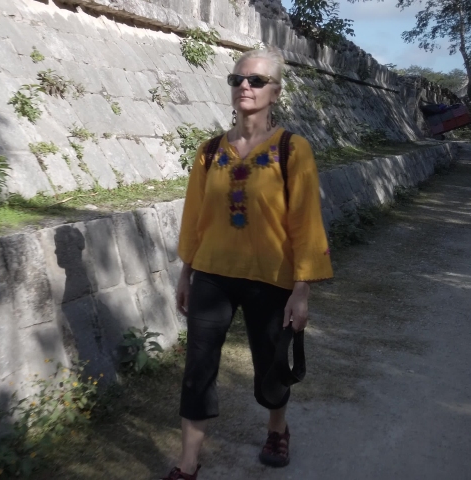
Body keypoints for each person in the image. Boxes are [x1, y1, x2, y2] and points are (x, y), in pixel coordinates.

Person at [161, 49, 334, 480]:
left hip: (270, 278)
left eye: (257, 81)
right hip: (213, 276)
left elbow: (306, 221)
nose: (245, 86)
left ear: (274, 92)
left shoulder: (292, 150)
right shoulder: (209, 152)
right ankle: (188, 461)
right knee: (198, 366)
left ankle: (277, 428)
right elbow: (196, 217)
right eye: (238, 79)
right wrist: (186, 272)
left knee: (271, 367)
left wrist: (302, 289)